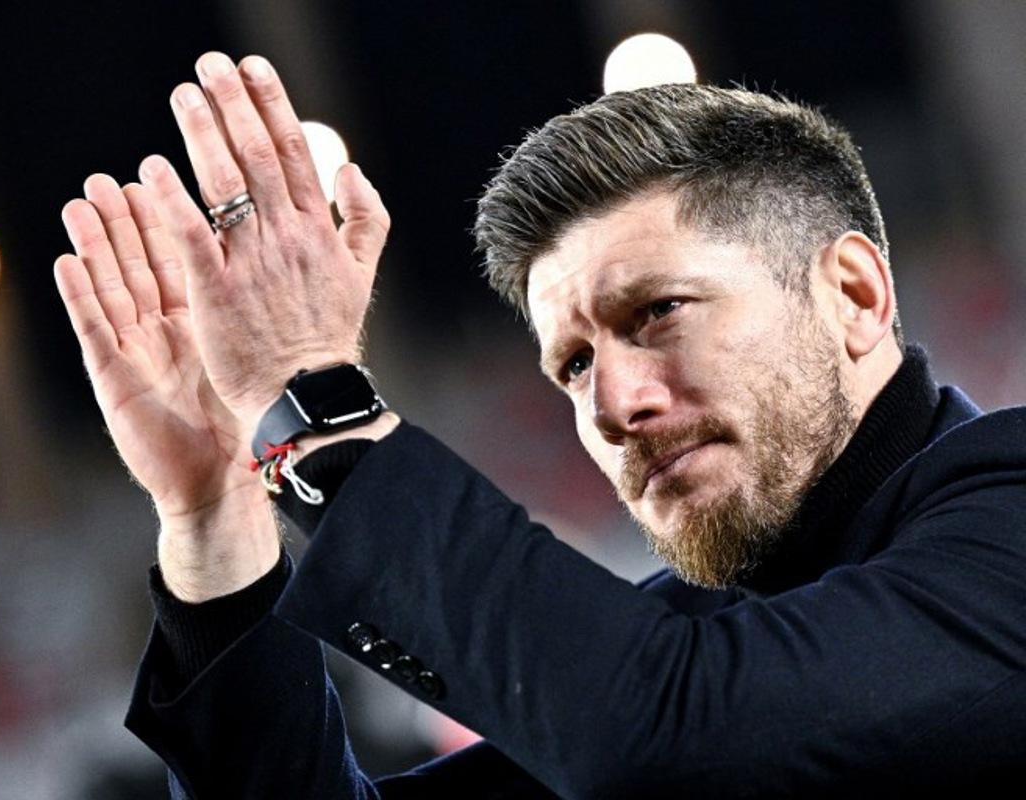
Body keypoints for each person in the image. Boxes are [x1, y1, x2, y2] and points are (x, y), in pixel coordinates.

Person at [55, 51, 1026, 798]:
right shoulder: (679, 646)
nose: (613, 406)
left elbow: (682, 737)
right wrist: (218, 513)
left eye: (659, 312)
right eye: (575, 364)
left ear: (853, 294)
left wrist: (317, 408)